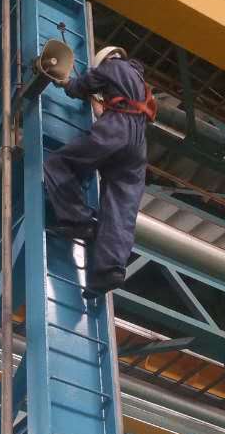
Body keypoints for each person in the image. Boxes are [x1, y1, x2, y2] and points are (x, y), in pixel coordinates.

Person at [43, 44, 155, 297]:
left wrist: (66, 83)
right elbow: (123, 105)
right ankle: (110, 271)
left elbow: (82, 85)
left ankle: (79, 220)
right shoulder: (138, 80)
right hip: (137, 146)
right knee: (120, 205)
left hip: (116, 131)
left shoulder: (112, 67)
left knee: (59, 163)